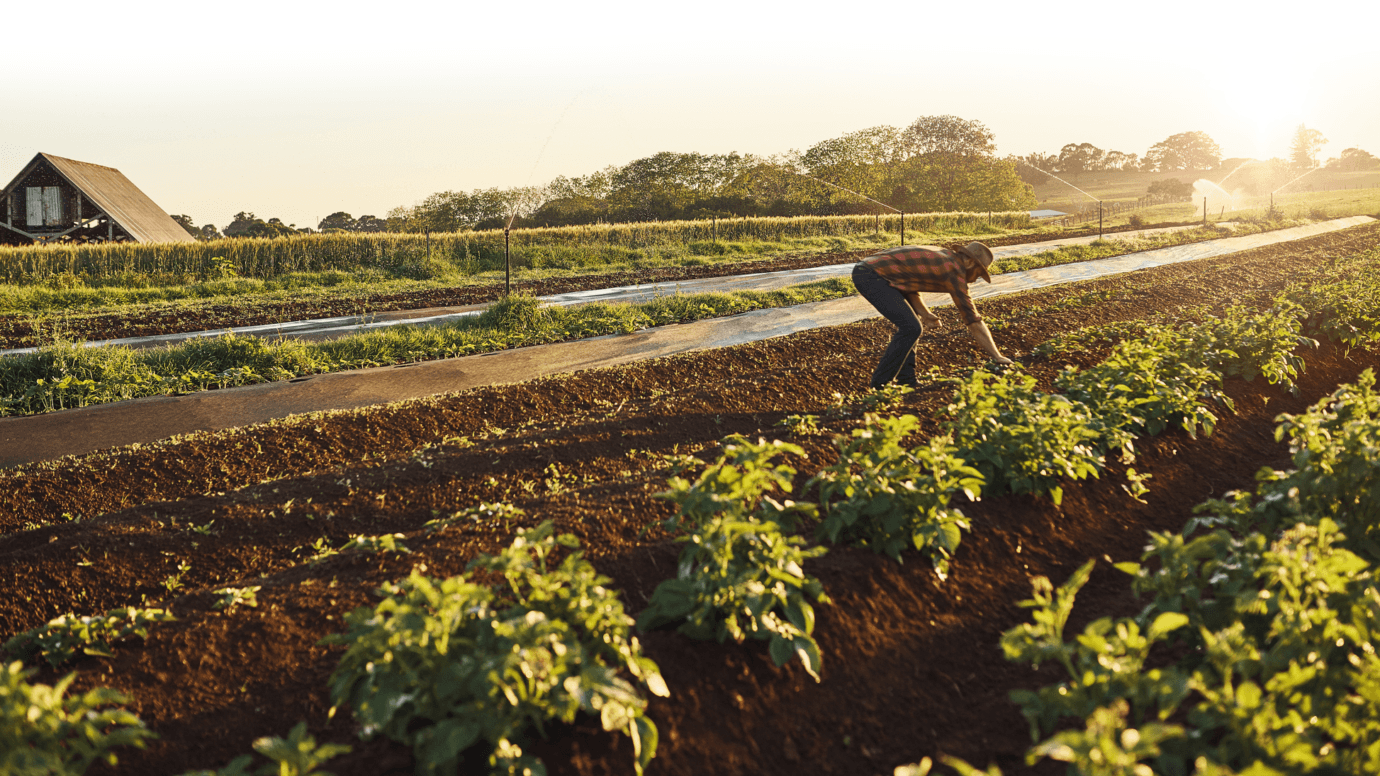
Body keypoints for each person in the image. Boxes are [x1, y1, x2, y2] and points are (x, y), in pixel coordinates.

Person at [851, 241, 1012, 388]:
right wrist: (997, 356)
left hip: (873, 271)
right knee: (911, 328)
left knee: (913, 326)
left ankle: (907, 380)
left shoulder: (945, 258)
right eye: (978, 272)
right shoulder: (954, 271)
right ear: (969, 262)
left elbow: (908, 281)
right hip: (871, 275)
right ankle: (879, 385)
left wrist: (925, 313)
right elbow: (972, 319)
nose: (976, 279)